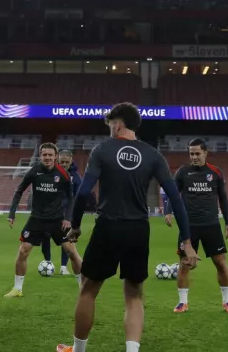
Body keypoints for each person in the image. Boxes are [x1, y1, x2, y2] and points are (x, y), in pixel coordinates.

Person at [56, 102, 198, 352]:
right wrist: (186, 241)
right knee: (134, 295)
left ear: (118, 124)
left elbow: (82, 194)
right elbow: (176, 198)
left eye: (111, 124)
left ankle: (78, 350)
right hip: (138, 230)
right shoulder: (153, 154)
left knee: (89, 289)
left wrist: (76, 226)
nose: (110, 128)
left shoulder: (102, 150)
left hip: (108, 226)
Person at [163, 139, 228, 314]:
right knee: (185, 263)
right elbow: (173, 193)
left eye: (197, 153)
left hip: (211, 225)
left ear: (205, 153)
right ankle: (182, 302)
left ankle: (227, 301)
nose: (194, 157)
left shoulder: (215, 172)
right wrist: (168, 211)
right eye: (191, 154)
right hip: (188, 226)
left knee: (220, 263)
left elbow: (223, 198)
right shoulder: (183, 172)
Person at [5, 143, 83, 296]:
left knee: (72, 252)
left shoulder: (63, 174)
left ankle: (83, 288)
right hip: (37, 219)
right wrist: (12, 213)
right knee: (23, 251)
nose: (47, 157)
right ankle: (17, 289)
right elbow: (19, 191)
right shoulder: (34, 172)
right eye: (44, 155)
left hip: (58, 220)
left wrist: (68, 218)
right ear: (40, 156)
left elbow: (71, 197)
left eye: (50, 155)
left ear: (55, 156)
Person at [40, 149, 81, 276]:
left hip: (66, 215)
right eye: (61, 161)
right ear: (57, 160)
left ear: (71, 161)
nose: (64, 164)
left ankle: (64, 266)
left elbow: (79, 196)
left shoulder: (76, 178)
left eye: (66, 162)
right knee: (45, 236)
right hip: (49, 212)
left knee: (66, 239)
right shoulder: (50, 173)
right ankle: (48, 262)